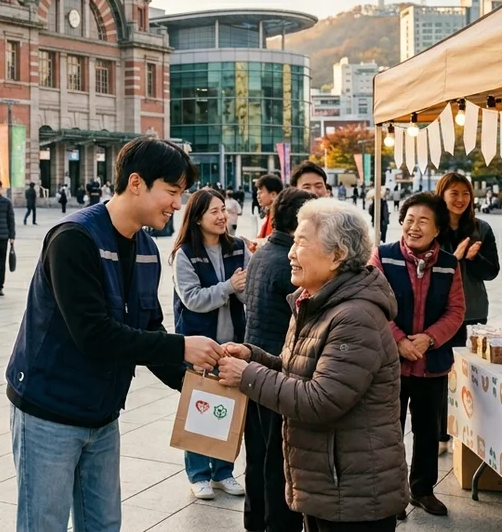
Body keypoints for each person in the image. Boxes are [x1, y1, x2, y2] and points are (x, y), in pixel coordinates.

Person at [6, 137, 222, 532]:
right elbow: (95, 335)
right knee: (43, 525)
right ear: (137, 183)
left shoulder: (145, 248)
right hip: (48, 412)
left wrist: (198, 383)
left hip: (102, 415)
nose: (177, 204)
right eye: (172, 192)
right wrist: (183, 346)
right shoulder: (73, 238)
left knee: (103, 525)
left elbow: (147, 329)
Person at [216, 198, 407, 531]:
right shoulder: (315, 302)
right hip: (328, 483)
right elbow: (299, 373)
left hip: (355, 494)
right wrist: (255, 357)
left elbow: (321, 400)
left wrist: (248, 375)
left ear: (338, 255)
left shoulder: (354, 316)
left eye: (301, 243)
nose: (291, 253)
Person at [371, 193, 465, 518]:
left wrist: (428, 338)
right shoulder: (382, 257)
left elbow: (456, 311)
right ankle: (390, 494)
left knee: (427, 433)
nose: (414, 226)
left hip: (431, 364)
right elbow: (372, 304)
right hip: (391, 365)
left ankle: (422, 490)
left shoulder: (450, 264)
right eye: (410, 219)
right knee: (388, 431)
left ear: (437, 229)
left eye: (423, 221)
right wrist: (398, 340)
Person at [240, 187, 315, 532]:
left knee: (258, 457)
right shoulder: (288, 263)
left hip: (255, 366)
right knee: (278, 463)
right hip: (275, 369)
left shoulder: (264, 250)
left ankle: (255, 522)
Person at [170, 188, 249, 500]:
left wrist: (239, 289)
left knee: (229, 409)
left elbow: (248, 291)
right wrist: (229, 286)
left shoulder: (239, 247)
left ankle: (224, 471)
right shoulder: (185, 254)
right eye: (214, 211)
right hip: (199, 343)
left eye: (223, 210)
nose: (222, 216)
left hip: (233, 343)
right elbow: (192, 300)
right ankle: (199, 473)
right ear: (198, 217)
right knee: (200, 408)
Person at [435, 172, 499, 453]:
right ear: (442, 195)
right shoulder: (433, 228)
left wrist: (474, 258)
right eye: (454, 193)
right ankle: (441, 433)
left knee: (469, 376)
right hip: (439, 313)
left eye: (465, 194)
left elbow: (492, 271)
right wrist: (455, 258)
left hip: (472, 310)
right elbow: (427, 269)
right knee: (440, 374)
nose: (460, 199)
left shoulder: (481, 228)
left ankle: (469, 434)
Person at [254, 173, 284, 243]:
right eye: (257, 194)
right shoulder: (269, 212)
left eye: (260, 193)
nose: (258, 197)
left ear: (273, 195)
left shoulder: (280, 216)